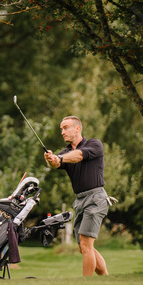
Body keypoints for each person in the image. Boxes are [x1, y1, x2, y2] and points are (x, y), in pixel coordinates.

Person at [44, 116, 109, 276]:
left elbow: (78, 156)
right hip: (79, 200)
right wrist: (51, 159)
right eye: (61, 129)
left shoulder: (94, 144)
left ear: (77, 128)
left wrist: (58, 158)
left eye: (65, 128)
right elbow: (57, 164)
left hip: (96, 198)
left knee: (86, 245)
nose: (62, 132)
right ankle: (106, 278)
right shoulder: (65, 152)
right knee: (84, 247)